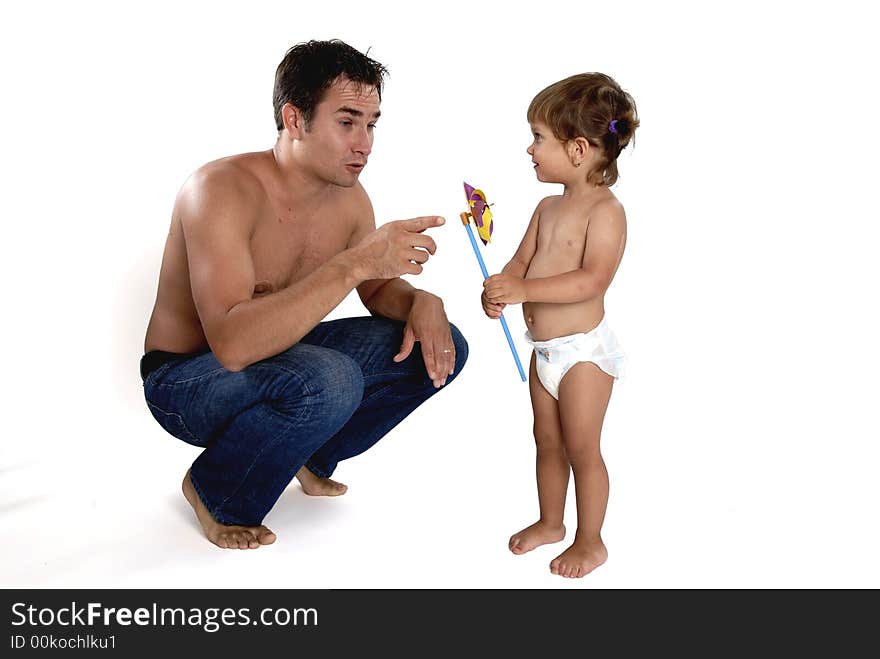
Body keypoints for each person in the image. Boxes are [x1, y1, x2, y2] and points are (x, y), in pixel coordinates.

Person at [141, 39, 468, 550]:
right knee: (327, 377)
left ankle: (306, 454)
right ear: (295, 120)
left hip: (278, 361)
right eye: (346, 121)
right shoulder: (220, 189)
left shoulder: (351, 198)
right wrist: (355, 261)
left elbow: (377, 287)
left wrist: (422, 303)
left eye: (372, 123)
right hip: (186, 382)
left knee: (440, 344)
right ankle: (216, 489)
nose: (365, 143)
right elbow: (232, 346)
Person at [481, 73, 638, 577]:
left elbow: (592, 280)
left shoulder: (606, 211)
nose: (530, 149)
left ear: (577, 149)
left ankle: (591, 541)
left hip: (583, 356)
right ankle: (552, 522)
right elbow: (519, 263)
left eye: (539, 138)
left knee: (581, 448)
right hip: (544, 353)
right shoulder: (546, 208)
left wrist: (524, 291)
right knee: (545, 441)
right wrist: (501, 287)